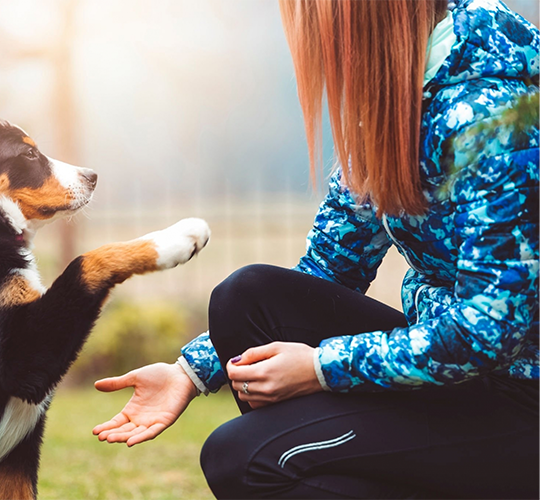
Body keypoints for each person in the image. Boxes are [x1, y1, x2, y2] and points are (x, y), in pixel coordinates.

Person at [93, 0, 540, 498]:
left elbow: (488, 330)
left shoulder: (492, 115)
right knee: (247, 296)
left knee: (241, 458)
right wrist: (191, 372)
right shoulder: (399, 101)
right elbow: (330, 267)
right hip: (457, 378)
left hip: (522, 398)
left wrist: (320, 368)